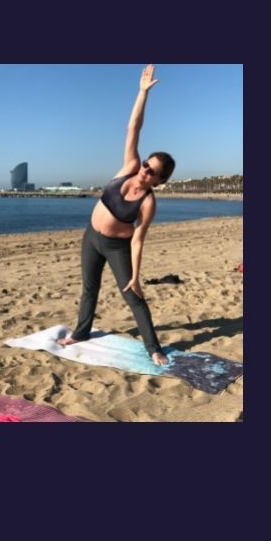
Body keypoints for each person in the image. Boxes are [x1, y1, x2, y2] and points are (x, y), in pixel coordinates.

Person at [56, 64, 177, 366]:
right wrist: (142, 93)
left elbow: (137, 241)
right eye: (146, 164)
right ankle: (81, 332)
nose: (144, 170)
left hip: (116, 247)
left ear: (159, 181)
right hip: (91, 237)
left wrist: (136, 275)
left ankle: (153, 348)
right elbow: (133, 128)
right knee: (89, 289)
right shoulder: (128, 167)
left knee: (133, 295)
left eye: (152, 171)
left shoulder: (148, 202)